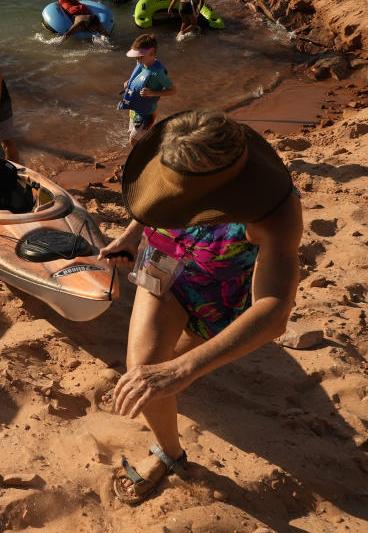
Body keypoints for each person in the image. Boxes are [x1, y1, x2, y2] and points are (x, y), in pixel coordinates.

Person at [98, 110, 302, 505]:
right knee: (144, 372)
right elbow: (152, 202)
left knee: (174, 367)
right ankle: (169, 453)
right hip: (160, 267)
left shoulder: (274, 211)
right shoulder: (181, 151)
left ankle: (182, 361)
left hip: (214, 292)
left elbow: (275, 310)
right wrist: (131, 235)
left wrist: (180, 370)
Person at [117, 34, 177, 146]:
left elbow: (173, 90)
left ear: (152, 53)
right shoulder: (142, 63)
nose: (137, 58)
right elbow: (139, 76)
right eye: (136, 56)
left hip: (146, 113)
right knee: (134, 135)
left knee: (134, 140)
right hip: (135, 109)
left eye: (140, 56)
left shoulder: (157, 72)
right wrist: (129, 81)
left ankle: (139, 160)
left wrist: (152, 93)